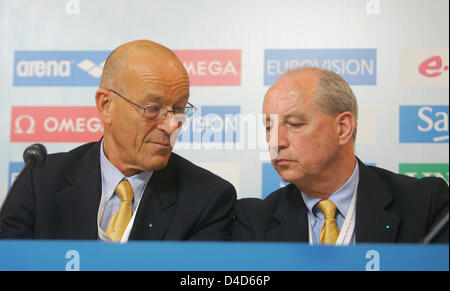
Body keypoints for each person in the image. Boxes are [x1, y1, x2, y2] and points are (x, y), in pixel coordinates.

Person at [0, 40, 236, 242]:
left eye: (180, 109)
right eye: (152, 108)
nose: (172, 125)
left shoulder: (207, 198)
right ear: (106, 105)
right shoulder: (40, 180)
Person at [231, 68, 449, 244]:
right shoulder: (254, 220)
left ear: (343, 128)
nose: (276, 141)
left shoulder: (425, 203)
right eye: (269, 127)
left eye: (295, 124)